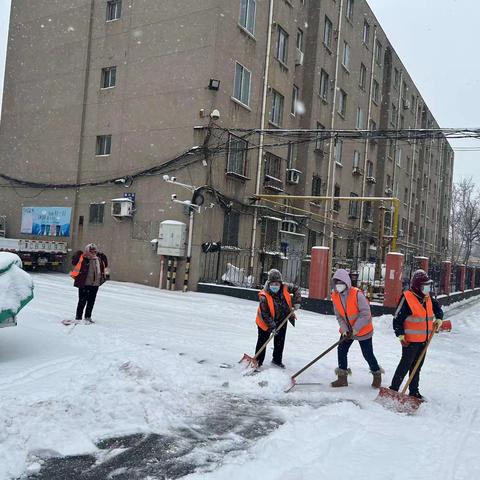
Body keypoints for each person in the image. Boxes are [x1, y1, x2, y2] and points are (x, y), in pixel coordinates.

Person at [388, 269, 443, 400]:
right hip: (410, 341)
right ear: (418, 286)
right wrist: (400, 335)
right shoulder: (407, 298)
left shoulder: (428, 297)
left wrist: (439, 318)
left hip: (424, 340)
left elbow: (438, 309)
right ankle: (393, 389)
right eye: (425, 286)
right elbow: (397, 319)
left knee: (417, 366)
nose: (428, 288)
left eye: (429, 286)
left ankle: (414, 391)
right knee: (405, 365)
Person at [330, 269, 383, 388]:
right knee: (342, 350)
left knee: (367, 354)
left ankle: (377, 374)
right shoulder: (335, 296)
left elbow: (366, 313)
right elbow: (339, 316)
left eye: (341, 283)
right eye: (336, 283)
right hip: (348, 331)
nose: (338, 286)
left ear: (346, 283)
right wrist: (344, 329)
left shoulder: (357, 294)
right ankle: (342, 378)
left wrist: (356, 328)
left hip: (363, 329)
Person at [254, 269, 301, 369]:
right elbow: (265, 315)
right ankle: (257, 361)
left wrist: (297, 301)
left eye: (277, 283)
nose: (275, 286)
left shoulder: (285, 287)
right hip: (264, 321)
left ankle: (277, 360)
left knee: (280, 340)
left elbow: (296, 289)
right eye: (272, 283)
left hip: (282, 317)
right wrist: (273, 327)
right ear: (268, 283)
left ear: (280, 283)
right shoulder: (264, 296)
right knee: (263, 340)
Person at [70, 243, 109, 323]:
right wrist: (78, 254)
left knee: (91, 301)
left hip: (95, 284)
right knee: (82, 301)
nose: (93, 252)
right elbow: (74, 262)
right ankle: (78, 317)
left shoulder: (98, 259)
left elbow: (105, 265)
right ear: (87, 250)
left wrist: (103, 256)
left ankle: (88, 317)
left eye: (94, 250)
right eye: (91, 250)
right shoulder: (83, 258)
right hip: (84, 284)